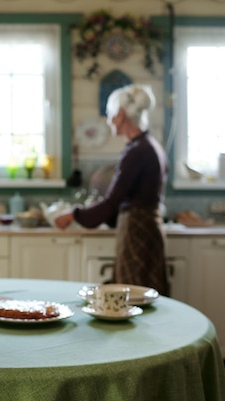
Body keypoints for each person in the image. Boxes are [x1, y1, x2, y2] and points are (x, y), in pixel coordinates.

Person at [55, 84, 169, 295]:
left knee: (134, 297)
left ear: (121, 115)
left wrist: (74, 214)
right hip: (147, 229)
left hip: (138, 231)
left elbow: (111, 203)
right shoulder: (150, 145)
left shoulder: (137, 151)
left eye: (110, 115)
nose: (108, 121)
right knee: (144, 294)